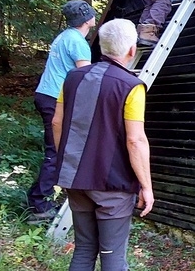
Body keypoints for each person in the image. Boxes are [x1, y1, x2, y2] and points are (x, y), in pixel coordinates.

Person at [52, 18, 153, 271]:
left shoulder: (72, 78)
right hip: (113, 188)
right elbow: (136, 140)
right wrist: (146, 186)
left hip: (76, 181)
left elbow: (56, 123)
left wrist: (66, 161)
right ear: (132, 50)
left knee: (84, 250)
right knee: (112, 257)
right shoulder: (132, 86)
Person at [27, 0, 97, 224]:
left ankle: (36, 197)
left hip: (46, 95)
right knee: (56, 151)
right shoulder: (77, 42)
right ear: (88, 19)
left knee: (54, 149)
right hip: (54, 99)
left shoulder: (65, 36)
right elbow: (84, 77)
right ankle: (39, 204)